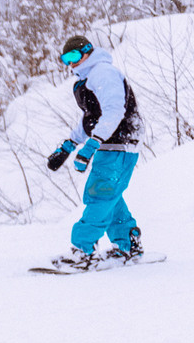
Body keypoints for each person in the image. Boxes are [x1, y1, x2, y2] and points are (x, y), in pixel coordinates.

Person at [42, 32, 145, 271]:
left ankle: (84, 251)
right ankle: (128, 245)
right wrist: (69, 144)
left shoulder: (102, 72)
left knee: (100, 194)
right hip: (113, 143)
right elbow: (91, 118)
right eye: (66, 58)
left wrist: (93, 143)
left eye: (75, 55)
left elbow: (113, 110)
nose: (71, 63)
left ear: (88, 51)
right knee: (109, 194)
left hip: (119, 140)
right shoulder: (88, 78)